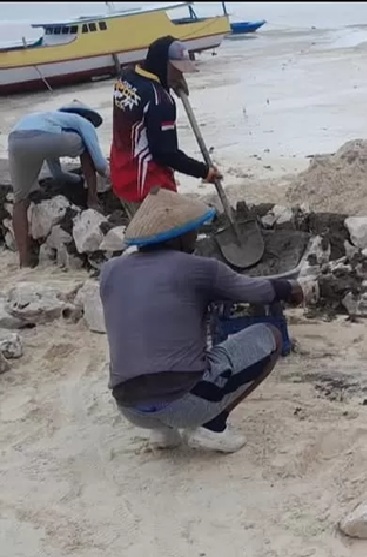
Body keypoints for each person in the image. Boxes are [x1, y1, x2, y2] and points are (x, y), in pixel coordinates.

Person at [100, 187, 303, 453]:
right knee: (270, 336)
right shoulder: (200, 268)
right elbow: (257, 292)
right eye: (192, 230)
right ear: (182, 236)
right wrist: (292, 290)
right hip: (186, 401)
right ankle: (213, 426)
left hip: (129, 406)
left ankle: (163, 432)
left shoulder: (111, 271)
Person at [109, 35, 221, 219]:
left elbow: (144, 104)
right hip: (148, 188)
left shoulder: (127, 77)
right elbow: (166, 153)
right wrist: (203, 171)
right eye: (177, 70)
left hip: (121, 174)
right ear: (162, 64)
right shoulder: (160, 100)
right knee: (163, 237)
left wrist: (168, 84)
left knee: (140, 232)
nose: (180, 75)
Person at [7, 100, 109, 268]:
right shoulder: (82, 122)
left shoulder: (50, 120)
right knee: (86, 149)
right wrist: (110, 175)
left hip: (16, 140)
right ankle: (92, 200)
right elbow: (99, 162)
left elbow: (57, 173)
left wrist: (75, 178)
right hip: (44, 137)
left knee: (20, 201)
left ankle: (24, 260)